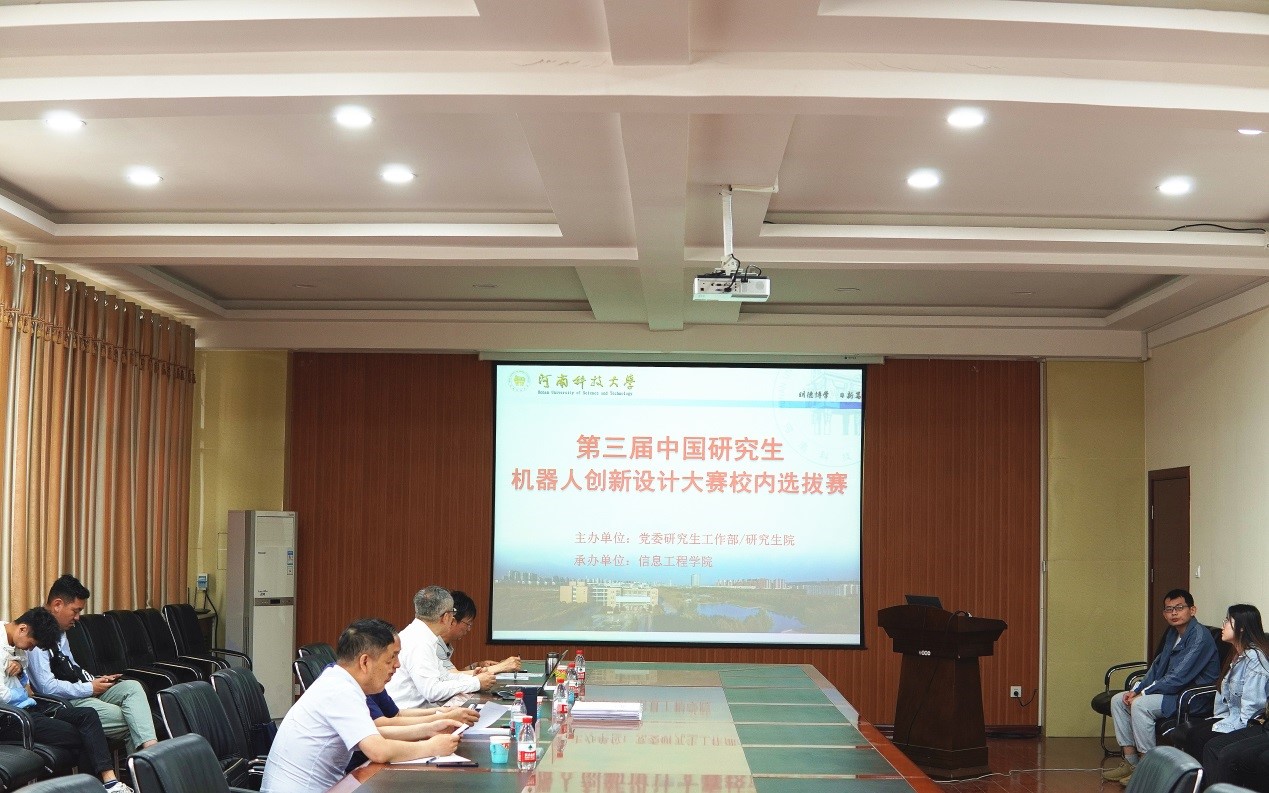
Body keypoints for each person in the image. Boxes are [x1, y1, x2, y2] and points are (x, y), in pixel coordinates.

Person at [261, 618, 463, 793]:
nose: (397, 665)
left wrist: (429, 729)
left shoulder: (340, 681)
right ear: (365, 662)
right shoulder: (340, 690)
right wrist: (431, 747)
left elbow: (372, 733)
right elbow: (378, 750)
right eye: (391, 658)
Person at [2, 607, 133, 793]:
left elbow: (25, 685)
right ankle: (104, 786)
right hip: (13, 719)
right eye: (31, 644)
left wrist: (21, 672)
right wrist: (23, 691)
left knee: (87, 715)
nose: (30, 649)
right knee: (86, 736)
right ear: (23, 629)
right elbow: (4, 695)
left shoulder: (15, 642)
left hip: (32, 710)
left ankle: (107, 783)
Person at [25, 575, 158, 754]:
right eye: (75, 611)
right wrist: (89, 688)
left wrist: (95, 680)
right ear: (57, 605)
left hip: (82, 689)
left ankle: (151, 751)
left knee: (132, 687)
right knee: (134, 720)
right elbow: (46, 687)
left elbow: (71, 666)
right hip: (66, 703)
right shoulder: (36, 634)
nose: (78, 618)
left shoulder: (61, 631)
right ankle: (150, 762)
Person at [1103, 588, 1220, 786]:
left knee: (1140, 705)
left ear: (1192, 610)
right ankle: (1131, 763)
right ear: (1164, 613)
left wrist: (1144, 694)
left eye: (1179, 608)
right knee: (1118, 701)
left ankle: (1149, 770)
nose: (1174, 613)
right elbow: (1157, 667)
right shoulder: (1173, 634)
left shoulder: (1200, 637)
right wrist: (1137, 690)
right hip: (1172, 693)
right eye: (1169, 609)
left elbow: (1179, 677)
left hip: (1191, 698)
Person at [384, 587, 496, 708]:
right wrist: (476, 683)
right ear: (446, 617)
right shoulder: (419, 642)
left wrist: (473, 677)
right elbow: (432, 691)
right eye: (453, 613)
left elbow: (443, 676)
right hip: (410, 715)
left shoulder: (423, 636)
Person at [1183, 604, 1269, 760]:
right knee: (1192, 734)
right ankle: (1191, 774)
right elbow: (1224, 697)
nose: (1223, 625)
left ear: (1242, 628)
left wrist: (1237, 732)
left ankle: (1199, 775)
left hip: (1246, 723)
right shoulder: (1236, 655)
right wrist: (1219, 719)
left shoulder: (1254, 658)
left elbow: (1253, 706)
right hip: (1230, 716)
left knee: (1200, 739)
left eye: (1228, 621)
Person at [447, 591, 521, 675]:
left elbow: (451, 675)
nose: (468, 629)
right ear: (452, 620)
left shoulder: (445, 644)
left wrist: (476, 666)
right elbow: (450, 678)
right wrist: (502, 667)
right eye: (468, 624)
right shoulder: (436, 644)